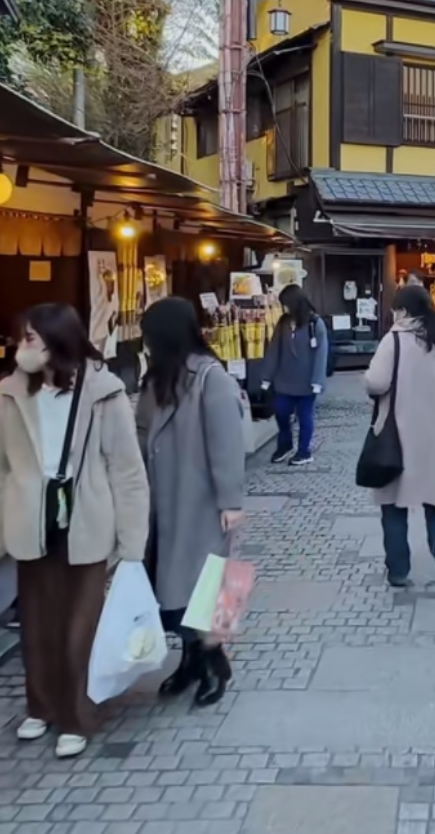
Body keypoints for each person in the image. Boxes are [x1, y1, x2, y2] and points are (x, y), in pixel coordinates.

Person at [0, 303, 150, 757]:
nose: (22, 348)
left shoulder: (103, 392)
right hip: (31, 520)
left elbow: (127, 470)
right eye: (22, 338)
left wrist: (133, 541)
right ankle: (41, 708)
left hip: (88, 520)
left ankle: (77, 715)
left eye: (30, 339)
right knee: (37, 625)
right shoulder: (12, 393)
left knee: (81, 626)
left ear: (57, 342)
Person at [136, 297, 247, 708]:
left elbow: (227, 444)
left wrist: (230, 500)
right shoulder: (157, 378)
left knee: (215, 583)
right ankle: (190, 660)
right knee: (176, 588)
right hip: (164, 500)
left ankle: (216, 660)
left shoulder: (210, 378)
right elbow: (142, 432)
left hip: (202, 499)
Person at [363, 283, 435, 588]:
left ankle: (398, 569)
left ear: (401, 310)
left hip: (398, 437)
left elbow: (376, 382)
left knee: (394, 508)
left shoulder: (394, 340)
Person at [259, 284, 330, 466]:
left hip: (306, 382)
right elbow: (274, 350)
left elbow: (321, 354)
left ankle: (304, 451)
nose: (285, 308)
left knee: (305, 417)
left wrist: (317, 381)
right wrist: (266, 377)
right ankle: (285, 445)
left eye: (287, 304)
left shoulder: (315, 323)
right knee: (281, 414)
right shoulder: (283, 323)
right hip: (283, 380)